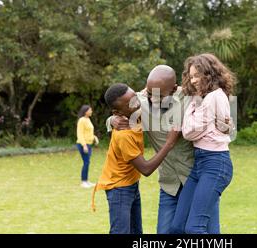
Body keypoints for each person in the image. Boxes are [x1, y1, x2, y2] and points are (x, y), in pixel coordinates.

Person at [108, 65, 232, 233]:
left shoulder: (191, 98)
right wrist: (111, 120)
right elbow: (118, 109)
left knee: (206, 231)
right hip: (169, 184)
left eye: (159, 95)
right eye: (150, 93)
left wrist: (227, 125)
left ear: (174, 89)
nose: (152, 99)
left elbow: (223, 120)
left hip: (196, 178)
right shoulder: (139, 102)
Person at [91, 83, 180, 234]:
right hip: (118, 188)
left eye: (136, 98)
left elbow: (146, 93)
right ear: (117, 112)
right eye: (131, 102)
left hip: (131, 184)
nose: (137, 102)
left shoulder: (134, 111)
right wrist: (169, 143)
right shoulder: (123, 134)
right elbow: (146, 169)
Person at [171, 53, 235, 234]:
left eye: (197, 76)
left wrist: (190, 120)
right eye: (191, 76)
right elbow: (194, 129)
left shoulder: (215, 96)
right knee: (177, 227)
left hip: (216, 163)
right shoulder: (201, 99)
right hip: (199, 164)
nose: (193, 81)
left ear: (209, 74)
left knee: (194, 228)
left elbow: (189, 132)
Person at [76, 105, 99, 188]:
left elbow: (89, 132)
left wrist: (94, 138)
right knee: (86, 162)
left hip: (88, 144)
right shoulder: (81, 120)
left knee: (87, 162)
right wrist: (84, 145)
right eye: (90, 110)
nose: (91, 111)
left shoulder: (88, 119)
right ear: (85, 111)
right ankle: (83, 182)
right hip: (83, 144)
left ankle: (86, 181)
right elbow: (80, 134)